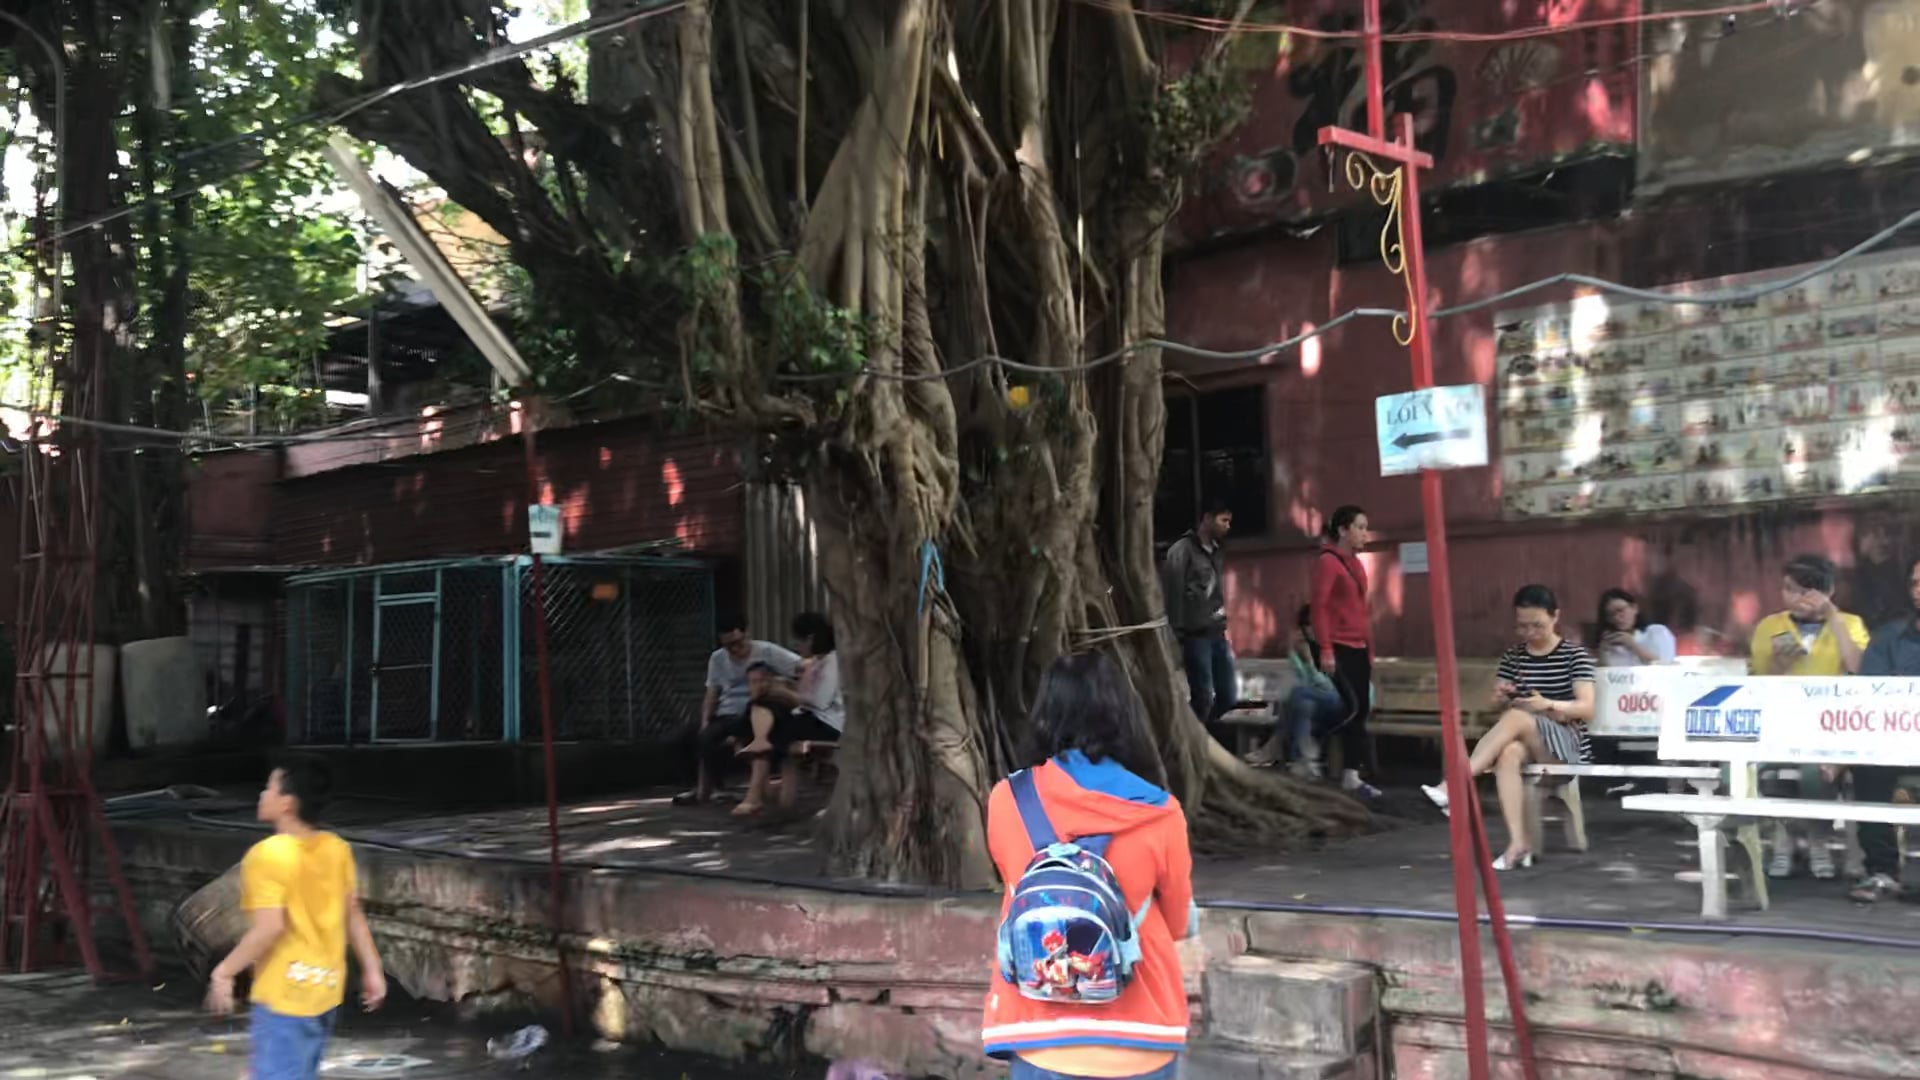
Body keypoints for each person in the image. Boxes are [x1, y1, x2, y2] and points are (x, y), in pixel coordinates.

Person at [981, 653, 1194, 1080]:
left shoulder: (1007, 800)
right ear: (1123, 715)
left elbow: (1014, 885)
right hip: (1143, 1031)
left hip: (1041, 1033)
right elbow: (1175, 924)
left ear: (1045, 713)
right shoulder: (1162, 812)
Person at [206, 758, 386, 1080]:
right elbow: (353, 914)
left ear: (287, 803)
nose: (262, 795)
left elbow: (270, 928)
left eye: (268, 788)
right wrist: (373, 969)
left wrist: (224, 972)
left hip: (285, 997)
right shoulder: (337, 849)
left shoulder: (267, 855)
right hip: (326, 991)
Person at [1422, 585, 1596, 870]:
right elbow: (1494, 707)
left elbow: (1587, 708)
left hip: (1566, 746)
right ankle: (1518, 843)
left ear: (1555, 617)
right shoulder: (1514, 656)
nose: (1530, 633)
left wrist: (1548, 705)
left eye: (1537, 625)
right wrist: (1500, 697)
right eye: (1522, 627)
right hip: (1529, 741)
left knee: (1517, 717)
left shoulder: (1575, 656)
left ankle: (1452, 785)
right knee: (1509, 753)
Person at [1748, 554, 1869, 880]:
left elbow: (1859, 667)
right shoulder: (1770, 626)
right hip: (1781, 726)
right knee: (1769, 774)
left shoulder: (1851, 623)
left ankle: (1817, 839)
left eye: (1805, 590)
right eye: (1789, 589)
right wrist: (1778, 665)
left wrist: (1833, 616)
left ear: (1827, 590)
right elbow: (1759, 684)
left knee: (1817, 774)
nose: (1795, 597)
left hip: (1830, 728)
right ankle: (1784, 838)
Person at [675, 613, 802, 807]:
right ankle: (708, 788)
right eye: (728, 646)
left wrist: (781, 686)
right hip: (727, 712)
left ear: (747, 633)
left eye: (738, 643)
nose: (734, 650)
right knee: (693, 736)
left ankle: (736, 791)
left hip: (759, 710)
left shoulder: (767, 651)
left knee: (744, 735)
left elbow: (801, 667)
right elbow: (712, 693)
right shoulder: (717, 659)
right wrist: (705, 721)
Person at [1851, 556, 1920, 903]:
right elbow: (1869, 694)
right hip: (1895, 742)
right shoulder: (1889, 638)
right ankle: (1881, 871)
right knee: (1867, 770)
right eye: (1916, 583)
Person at [732, 611, 844, 816]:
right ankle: (762, 789)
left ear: (811, 638)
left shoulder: (833, 662)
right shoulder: (818, 660)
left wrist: (786, 692)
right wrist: (787, 687)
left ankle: (757, 794)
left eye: (798, 641)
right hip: (809, 716)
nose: (796, 647)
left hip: (827, 724)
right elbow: (807, 695)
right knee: (757, 709)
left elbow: (820, 701)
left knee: (771, 723)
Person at [1312, 505, 1379, 799]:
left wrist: (1370, 648)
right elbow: (1319, 607)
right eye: (1360, 527)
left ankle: (1352, 775)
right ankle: (1309, 749)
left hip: (1359, 647)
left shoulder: (1357, 564)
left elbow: (1362, 611)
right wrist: (1326, 649)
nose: (1365, 533)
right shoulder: (1328, 562)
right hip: (1338, 646)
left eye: (1366, 527)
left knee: (1361, 709)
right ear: (1342, 530)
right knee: (1350, 707)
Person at [1246, 605, 1348, 779]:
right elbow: (1305, 685)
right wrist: (1295, 654)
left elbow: (1328, 687)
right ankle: (1304, 764)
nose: (1312, 629)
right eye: (1307, 625)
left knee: (1299, 695)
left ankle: (1275, 747)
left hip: (1347, 705)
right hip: (1320, 709)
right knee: (1303, 705)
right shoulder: (1305, 651)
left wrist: (1308, 660)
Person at [1162, 501, 1236, 724]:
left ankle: (1202, 737)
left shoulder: (1217, 551)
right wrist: (1177, 636)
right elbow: (1173, 594)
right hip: (1195, 636)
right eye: (1223, 520)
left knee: (1228, 696)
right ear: (1206, 519)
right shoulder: (1181, 550)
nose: (1228, 526)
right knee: (1203, 697)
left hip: (1217, 633)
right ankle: (1192, 739)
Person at [1591, 587, 1677, 667]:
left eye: (1620, 610)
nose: (1617, 618)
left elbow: (1666, 666)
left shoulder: (1656, 632)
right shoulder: (1611, 644)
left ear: (1634, 608)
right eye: (1611, 615)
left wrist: (1633, 644)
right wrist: (1603, 653)